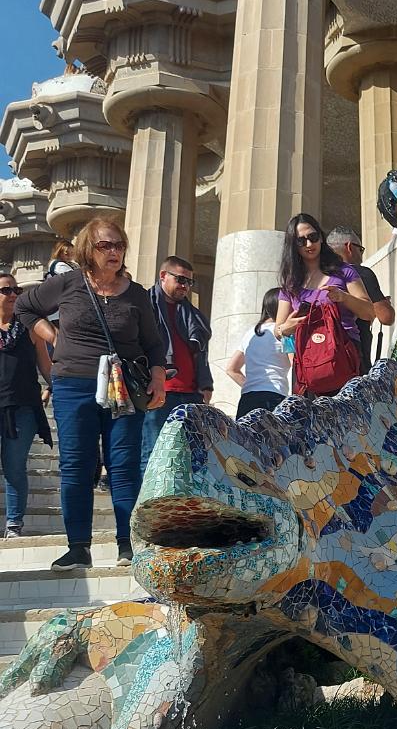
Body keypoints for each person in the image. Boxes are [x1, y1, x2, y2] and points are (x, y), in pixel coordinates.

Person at [15, 214, 166, 569]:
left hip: (123, 387)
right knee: (76, 464)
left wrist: (158, 377)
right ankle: (78, 547)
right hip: (74, 383)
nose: (114, 251)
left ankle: (128, 545)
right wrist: (53, 336)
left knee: (123, 465)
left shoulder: (137, 294)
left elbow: (154, 343)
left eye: (119, 245)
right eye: (105, 245)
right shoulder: (67, 284)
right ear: (88, 249)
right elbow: (24, 307)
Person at [274, 216, 374, 387]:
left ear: (321, 237)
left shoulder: (344, 271)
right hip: (309, 361)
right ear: (293, 245)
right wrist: (285, 328)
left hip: (344, 354)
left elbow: (369, 312)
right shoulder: (290, 284)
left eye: (313, 237)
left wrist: (344, 297)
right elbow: (277, 330)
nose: (309, 244)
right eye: (301, 241)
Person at [141, 256, 212, 474]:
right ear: (163, 276)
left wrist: (206, 384)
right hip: (159, 391)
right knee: (154, 455)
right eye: (181, 279)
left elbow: (200, 353)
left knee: (191, 458)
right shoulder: (144, 306)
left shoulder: (194, 315)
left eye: (189, 282)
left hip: (191, 394)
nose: (185, 286)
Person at [0, 272, 53, 539]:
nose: (13, 295)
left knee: (14, 466)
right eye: (6, 290)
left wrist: (58, 386)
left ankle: (14, 523)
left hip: (22, 407)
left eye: (16, 290)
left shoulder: (29, 326)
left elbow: (45, 365)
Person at [326, 228, 395, 369]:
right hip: (352, 356)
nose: (361, 255)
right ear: (349, 247)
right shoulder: (360, 273)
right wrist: (382, 304)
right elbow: (386, 317)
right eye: (361, 249)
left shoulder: (317, 275)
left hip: (320, 357)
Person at [225, 289, 292, 418]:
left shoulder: (250, 333)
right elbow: (295, 364)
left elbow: (231, 369)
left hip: (247, 399)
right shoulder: (284, 333)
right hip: (275, 395)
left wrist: (252, 385)